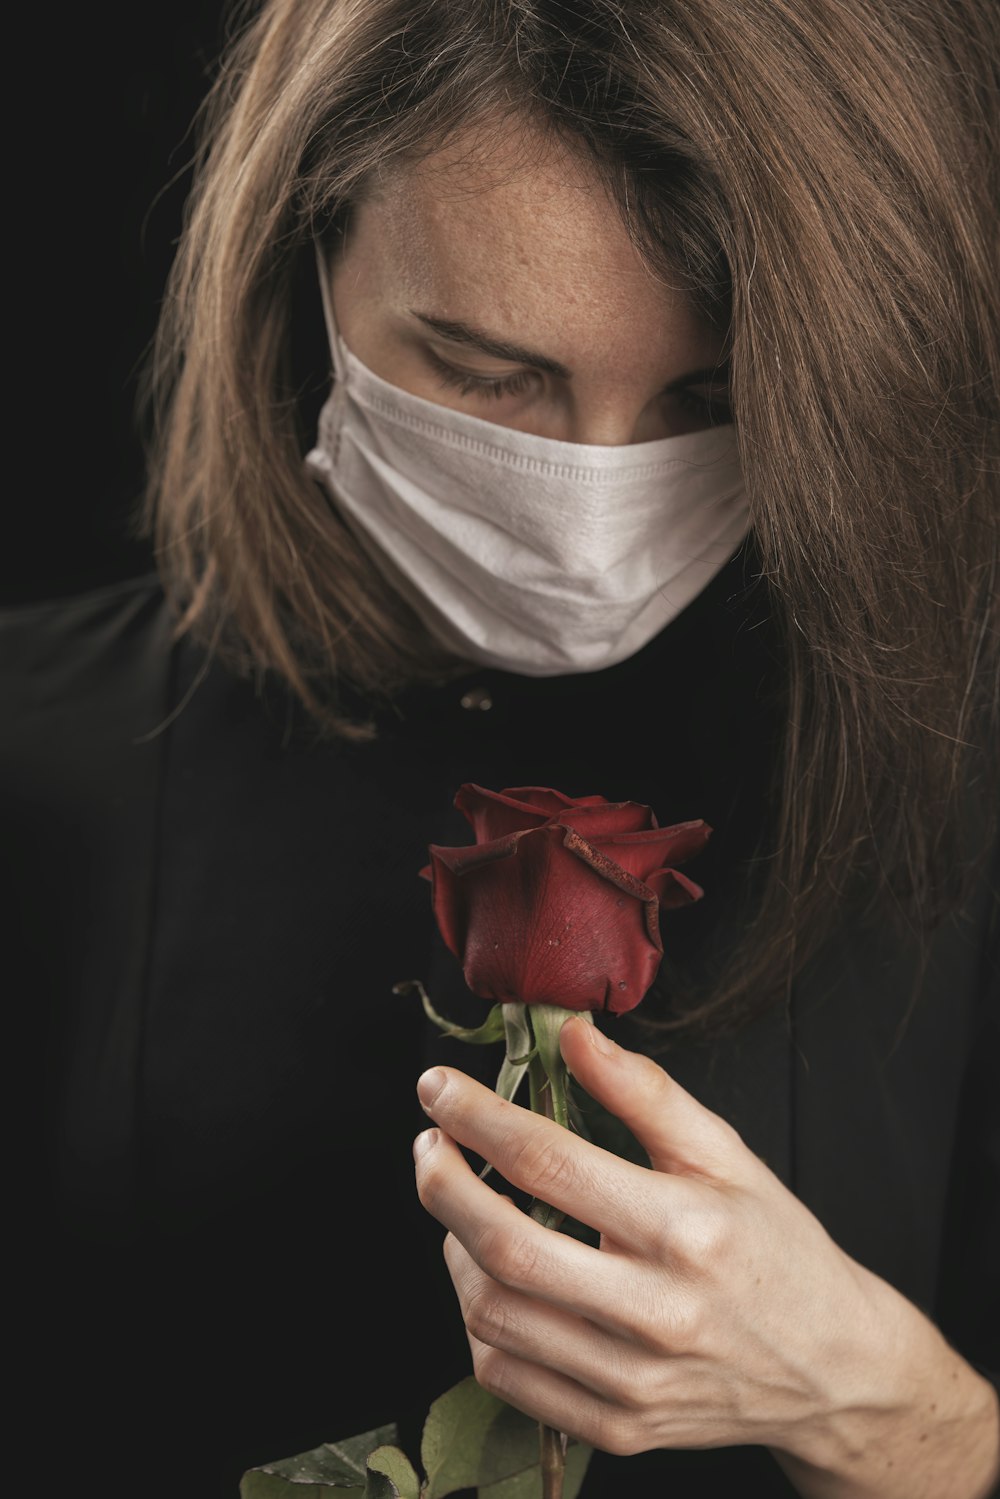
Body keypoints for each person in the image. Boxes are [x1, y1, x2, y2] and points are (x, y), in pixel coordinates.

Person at [6, 0, 997, 1495]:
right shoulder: (39, 750)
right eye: (486, 371)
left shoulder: (950, 772)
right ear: (306, 253)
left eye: (704, 399)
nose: (594, 505)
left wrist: (884, 1405)